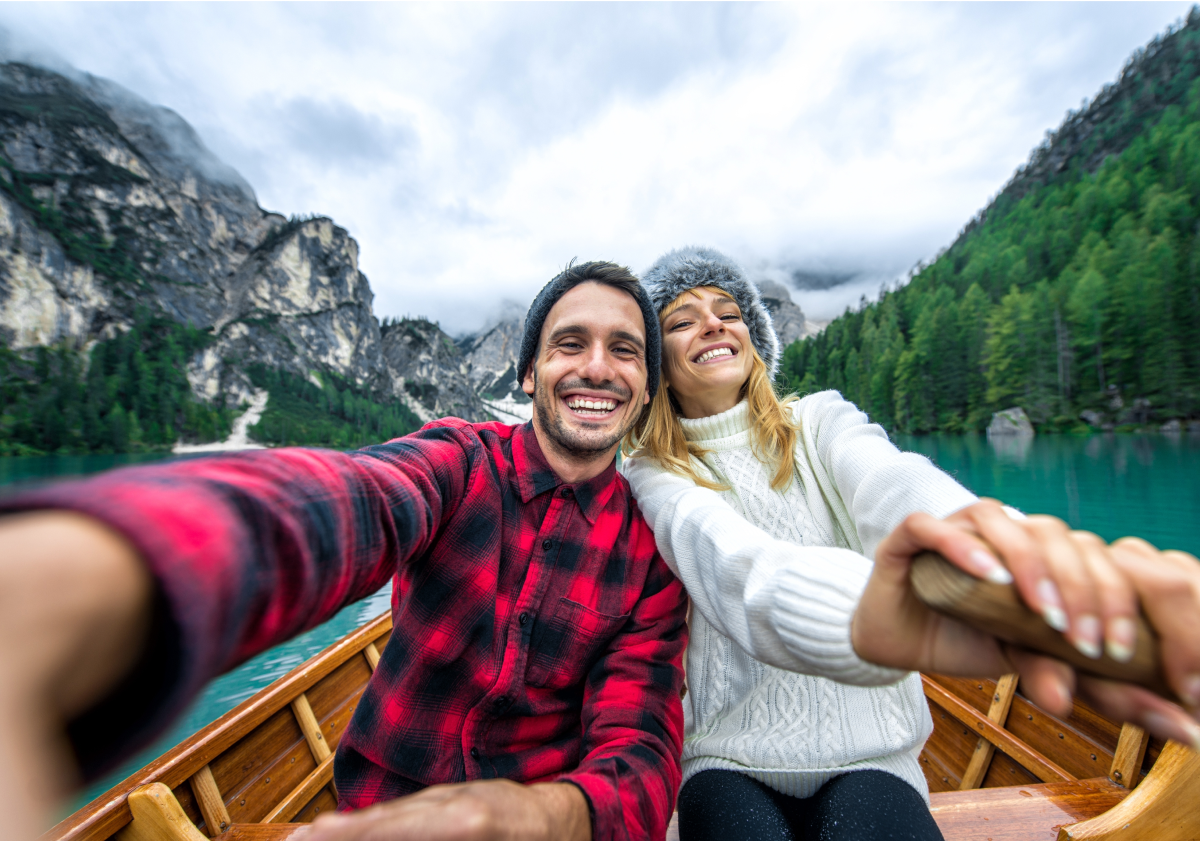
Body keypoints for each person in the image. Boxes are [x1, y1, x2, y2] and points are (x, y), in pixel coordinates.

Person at [0, 260, 687, 841]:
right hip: (369, 814)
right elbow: (351, 500)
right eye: (570, 343)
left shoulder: (651, 554)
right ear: (530, 374)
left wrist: (531, 811)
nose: (597, 367)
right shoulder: (460, 463)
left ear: (647, 388)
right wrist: (119, 559)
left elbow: (642, 751)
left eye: (625, 350)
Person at [619, 246, 1200, 841]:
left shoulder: (821, 422)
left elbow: (898, 488)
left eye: (729, 311)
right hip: (727, 760)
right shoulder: (652, 473)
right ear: (658, 363)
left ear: (752, 337)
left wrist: (1016, 563)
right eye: (682, 320)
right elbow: (736, 568)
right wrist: (883, 616)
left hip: (872, 752)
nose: (714, 324)